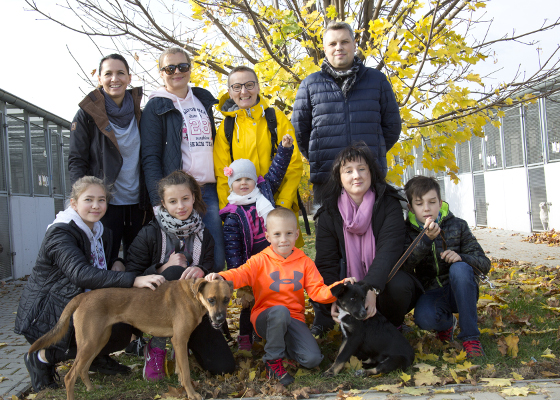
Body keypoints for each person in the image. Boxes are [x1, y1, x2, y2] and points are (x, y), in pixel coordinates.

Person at [14, 176, 164, 392]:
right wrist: (134, 279)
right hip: (50, 314)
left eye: (101, 200)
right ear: (74, 203)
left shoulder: (100, 231)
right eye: (89, 199)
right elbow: (80, 273)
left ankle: (95, 356)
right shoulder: (60, 233)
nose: (96, 205)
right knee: (111, 325)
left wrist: (118, 263)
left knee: (124, 326)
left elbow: (104, 263)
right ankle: (41, 357)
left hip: (85, 305)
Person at [206, 208, 355, 386]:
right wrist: (222, 277)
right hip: (265, 317)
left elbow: (317, 291)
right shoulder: (260, 260)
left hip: (294, 318)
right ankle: (273, 361)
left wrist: (339, 288)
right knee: (280, 312)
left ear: (296, 234)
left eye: (288, 234)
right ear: (268, 236)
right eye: (277, 234)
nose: (283, 239)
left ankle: (284, 349)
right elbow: (240, 274)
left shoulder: (304, 262)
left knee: (312, 359)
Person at [125, 170, 235, 381]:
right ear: (163, 204)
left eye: (185, 199)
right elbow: (132, 275)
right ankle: (156, 347)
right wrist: (161, 269)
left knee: (224, 367)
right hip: (155, 310)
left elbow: (213, 271)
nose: (181, 206)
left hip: (195, 309)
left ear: (194, 197)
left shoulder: (205, 234)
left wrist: (203, 271)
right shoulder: (150, 233)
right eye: (173, 201)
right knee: (175, 272)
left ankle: (184, 344)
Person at [312, 143, 420, 337]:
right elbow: (326, 262)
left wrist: (371, 287)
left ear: (371, 173)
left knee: (400, 285)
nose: (356, 176)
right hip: (347, 284)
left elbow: (389, 251)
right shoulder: (329, 212)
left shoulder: (389, 204)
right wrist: (336, 295)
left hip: (382, 281)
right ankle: (328, 323)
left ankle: (392, 326)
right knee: (318, 286)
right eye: (348, 171)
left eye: (362, 169)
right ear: (339, 177)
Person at [292, 21, 401, 204]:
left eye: (344, 42)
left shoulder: (377, 80)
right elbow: (299, 132)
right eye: (332, 44)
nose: (339, 48)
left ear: (354, 44)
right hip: (327, 179)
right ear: (325, 49)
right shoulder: (310, 85)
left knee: (373, 232)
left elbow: (392, 126)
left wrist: (370, 155)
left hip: (369, 178)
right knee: (330, 233)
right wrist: (321, 155)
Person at [140, 47, 225, 272]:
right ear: (161, 73)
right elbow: (150, 158)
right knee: (184, 261)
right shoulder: (156, 106)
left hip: (209, 192)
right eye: (169, 68)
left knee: (215, 258)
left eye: (182, 66)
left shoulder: (202, 100)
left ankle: (212, 307)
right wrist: (159, 202)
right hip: (177, 196)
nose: (177, 71)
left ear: (190, 68)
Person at [69, 54, 151, 262]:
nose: (115, 78)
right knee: (104, 264)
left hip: (139, 205)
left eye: (120, 73)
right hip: (105, 204)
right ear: (99, 79)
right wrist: (82, 199)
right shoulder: (87, 115)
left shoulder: (142, 115)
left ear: (129, 78)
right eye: (108, 74)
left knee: (139, 265)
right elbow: (77, 160)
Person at [213, 66, 304, 247]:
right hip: (244, 214)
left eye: (249, 85)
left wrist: (282, 206)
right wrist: (229, 212)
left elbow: (293, 165)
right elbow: (222, 176)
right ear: (230, 92)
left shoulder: (276, 118)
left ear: (258, 87)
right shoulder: (226, 127)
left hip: (277, 206)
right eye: (237, 87)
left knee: (283, 265)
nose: (244, 91)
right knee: (250, 266)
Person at [402, 176, 490, 358]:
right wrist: (425, 241)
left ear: (440, 202)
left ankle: (470, 337)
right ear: (410, 207)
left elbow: (484, 263)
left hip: (461, 289)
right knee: (425, 318)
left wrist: (461, 257)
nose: (426, 208)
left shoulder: (457, 225)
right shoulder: (407, 232)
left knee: (459, 268)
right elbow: (405, 266)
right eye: (419, 204)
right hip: (431, 292)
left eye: (432, 202)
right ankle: (446, 324)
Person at [220, 134, 294, 350]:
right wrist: (239, 279)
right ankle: (245, 336)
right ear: (231, 184)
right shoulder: (232, 214)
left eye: (248, 179)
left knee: (275, 294)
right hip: (251, 262)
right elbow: (232, 248)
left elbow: (277, 170)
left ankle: (273, 333)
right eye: (238, 180)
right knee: (249, 302)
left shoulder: (265, 193)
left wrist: (285, 149)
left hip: (273, 257)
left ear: (255, 181)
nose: (243, 183)